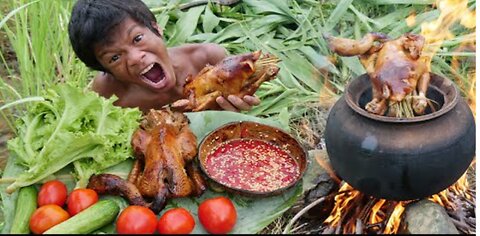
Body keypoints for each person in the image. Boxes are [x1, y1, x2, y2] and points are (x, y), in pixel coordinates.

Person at [68, 0, 260, 113]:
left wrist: (238, 105)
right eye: (114, 58)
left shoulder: (207, 58)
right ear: (107, 71)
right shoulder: (109, 93)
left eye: (137, 38)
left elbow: (238, 105)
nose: (135, 58)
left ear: (156, 28)